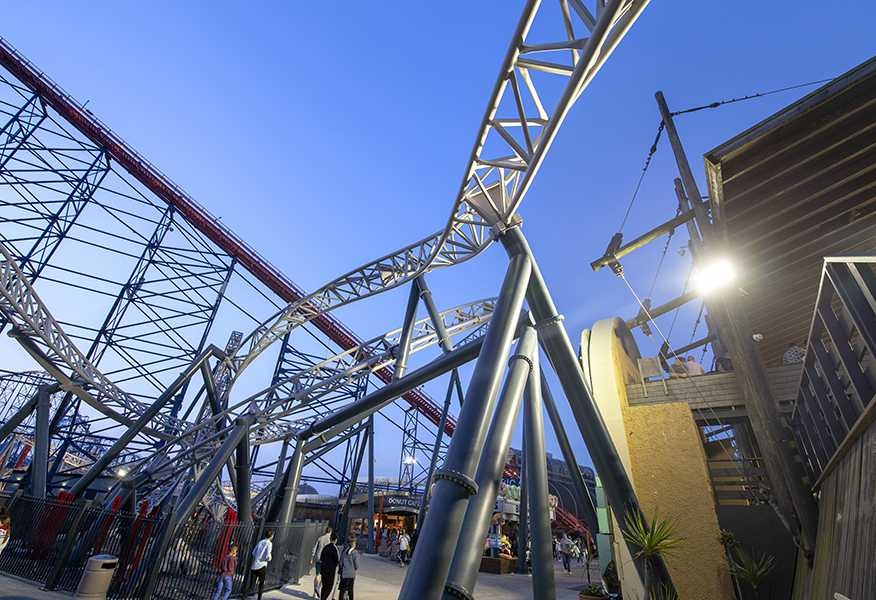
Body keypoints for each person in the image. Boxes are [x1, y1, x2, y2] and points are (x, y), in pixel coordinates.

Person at [249, 530, 273, 600]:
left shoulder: (260, 542)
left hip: (255, 565)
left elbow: (253, 552)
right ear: (271, 536)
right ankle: (259, 598)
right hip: (262, 566)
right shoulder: (269, 543)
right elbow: (268, 555)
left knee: (251, 584)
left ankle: (245, 595)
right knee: (261, 584)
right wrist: (269, 558)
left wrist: (258, 557)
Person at [312, 526, 333, 599]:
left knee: (317, 575)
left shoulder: (320, 538)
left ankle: (314, 593)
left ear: (325, 531)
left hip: (318, 558)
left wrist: (312, 557)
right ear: (330, 532)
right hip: (326, 560)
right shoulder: (330, 540)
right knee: (324, 576)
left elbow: (314, 548)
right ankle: (318, 588)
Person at [319, 532, 340, 600]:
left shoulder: (326, 547)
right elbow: (337, 560)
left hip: (323, 569)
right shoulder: (335, 548)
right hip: (331, 571)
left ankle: (322, 597)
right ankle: (324, 598)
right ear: (336, 540)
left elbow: (321, 557)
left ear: (330, 539)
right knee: (329, 586)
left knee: (324, 585)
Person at [338, 534, 360, 600]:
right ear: (353, 543)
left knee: (342, 590)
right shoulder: (355, 552)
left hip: (343, 574)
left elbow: (341, 562)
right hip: (351, 574)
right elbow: (356, 565)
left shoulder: (344, 551)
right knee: (350, 590)